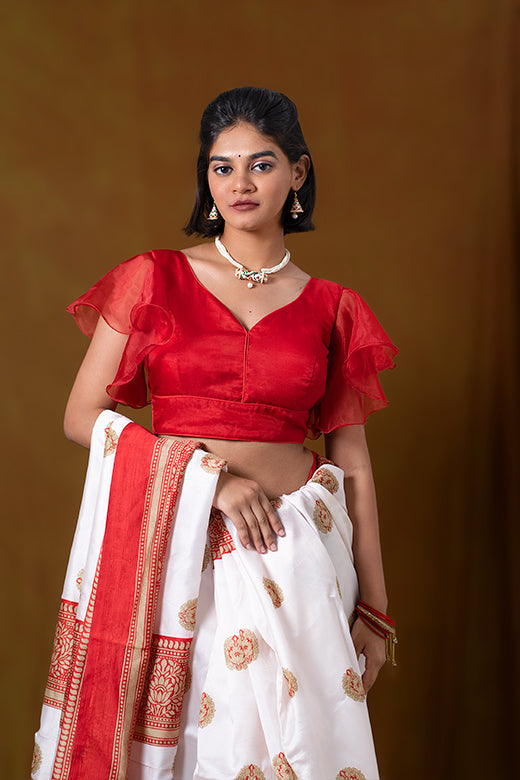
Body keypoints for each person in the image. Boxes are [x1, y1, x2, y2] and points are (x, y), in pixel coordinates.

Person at [32, 87, 398, 780]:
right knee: (202, 752)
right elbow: (82, 417)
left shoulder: (334, 308)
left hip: (298, 557)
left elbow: (355, 469)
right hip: (178, 550)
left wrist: (375, 613)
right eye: (222, 167)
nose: (240, 183)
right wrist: (213, 483)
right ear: (205, 178)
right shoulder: (155, 278)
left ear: (298, 172)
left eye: (261, 164)